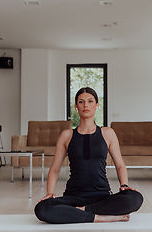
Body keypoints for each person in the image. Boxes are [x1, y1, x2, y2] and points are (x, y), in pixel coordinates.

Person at [34, 87, 143, 224]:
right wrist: (50, 193)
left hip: (102, 196)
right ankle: (98, 217)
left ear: (97, 105)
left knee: (135, 198)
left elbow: (120, 164)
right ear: (76, 106)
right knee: (42, 208)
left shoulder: (107, 133)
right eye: (81, 102)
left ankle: (83, 211)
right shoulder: (67, 135)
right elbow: (55, 168)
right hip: (73, 197)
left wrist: (124, 185)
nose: (86, 105)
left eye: (90, 101)